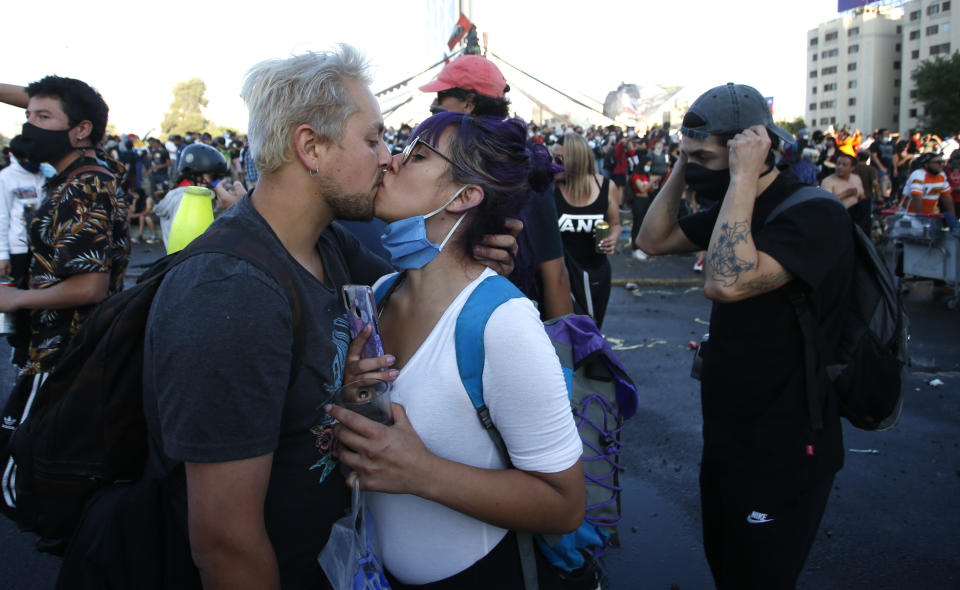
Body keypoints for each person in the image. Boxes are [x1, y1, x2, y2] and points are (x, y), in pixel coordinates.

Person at [127, 46, 519, 589]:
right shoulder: (231, 293)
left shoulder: (327, 246)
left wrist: (473, 244)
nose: (388, 158)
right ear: (310, 146)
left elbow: (422, 285)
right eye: (373, 139)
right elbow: (225, 545)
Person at [328, 111, 584, 589]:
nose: (390, 161)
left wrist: (421, 472)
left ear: (464, 196)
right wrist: (356, 399)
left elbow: (565, 504)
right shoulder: (381, 291)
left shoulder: (501, 322)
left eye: (418, 155)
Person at [636, 83, 854, 589]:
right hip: (731, 430)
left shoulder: (814, 213)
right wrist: (683, 164)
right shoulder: (733, 204)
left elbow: (725, 282)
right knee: (728, 566)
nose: (695, 168)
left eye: (703, 157)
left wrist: (740, 178)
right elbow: (651, 240)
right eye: (688, 155)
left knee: (760, 577)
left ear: (750, 149)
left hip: (786, 439)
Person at [417, 53, 573, 320]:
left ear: (467, 104)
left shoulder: (523, 169)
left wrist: (563, 351)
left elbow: (554, 272)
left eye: (441, 97)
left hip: (510, 325)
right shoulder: (440, 164)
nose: (433, 105)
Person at [0, 76, 129, 377]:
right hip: (69, 350)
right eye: (27, 116)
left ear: (82, 130)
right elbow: (65, 108)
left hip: (65, 357)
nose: (30, 127)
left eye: (42, 118)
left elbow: (90, 286)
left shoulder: (85, 186)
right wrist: (40, 105)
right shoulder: (93, 168)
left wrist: (17, 299)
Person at [554, 132, 622, 328]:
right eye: (553, 157)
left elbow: (616, 224)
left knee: (592, 332)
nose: (553, 163)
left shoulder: (607, 187)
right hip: (561, 277)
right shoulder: (551, 188)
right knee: (563, 334)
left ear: (576, 160)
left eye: (559, 159)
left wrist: (613, 238)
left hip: (595, 274)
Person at [902, 152, 956, 217]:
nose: (941, 165)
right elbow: (916, 198)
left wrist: (953, 218)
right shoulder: (918, 174)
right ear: (926, 164)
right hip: (908, 215)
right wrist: (921, 219)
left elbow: (947, 197)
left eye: (942, 162)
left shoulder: (941, 175)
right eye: (937, 162)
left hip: (928, 217)